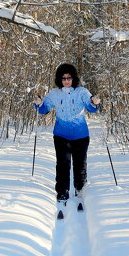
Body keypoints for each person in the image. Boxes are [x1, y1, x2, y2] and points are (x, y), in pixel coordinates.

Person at [33, 63, 101, 207]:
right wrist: (39, 104)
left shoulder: (82, 92)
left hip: (80, 135)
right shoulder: (54, 93)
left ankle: (80, 188)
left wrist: (94, 103)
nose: (66, 81)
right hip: (61, 135)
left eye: (69, 78)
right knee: (62, 164)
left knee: (80, 164)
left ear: (73, 78)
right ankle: (62, 192)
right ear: (59, 79)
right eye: (63, 78)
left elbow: (91, 107)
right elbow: (44, 109)